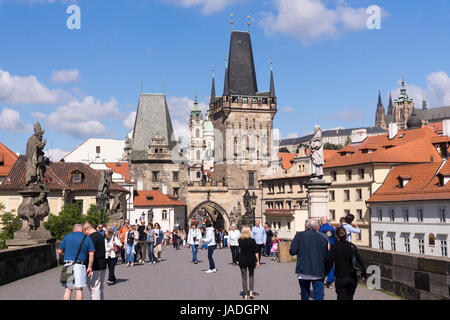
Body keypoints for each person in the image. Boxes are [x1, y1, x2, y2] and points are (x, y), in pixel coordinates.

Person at [289, 218, 329, 300]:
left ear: (307, 225)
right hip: (318, 272)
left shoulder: (299, 235)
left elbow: (292, 251)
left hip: (303, 271)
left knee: (304, 296)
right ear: (317, 226)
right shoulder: (323, 238)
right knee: (319, 297)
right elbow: (326, 256)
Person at [326, 227, 367, 300]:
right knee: (350, 297)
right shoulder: (352, 246)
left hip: (340, 277)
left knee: (341, 297)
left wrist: (324, 273)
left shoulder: (334, 247)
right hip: (352, 277)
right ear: (346, 235)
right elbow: (359, 260)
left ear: (337, 235)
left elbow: (330, 262)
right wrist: (364, 273)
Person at [58, 224, 95, 300]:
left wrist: (66, 254)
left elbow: (59, 251)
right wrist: (89, 267)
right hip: (79, 266)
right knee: (79, 289)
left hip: (68, 265)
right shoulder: (87, 238)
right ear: (82, 230)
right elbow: (91, 254)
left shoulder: (67, 236)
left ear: (74, 229)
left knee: (68, 289)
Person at [82, 223, 107, 300]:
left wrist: (88, 266)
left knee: (94, 288)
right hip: (102, 264)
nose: (84, 234)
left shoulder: (91, 238)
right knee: (100, 288)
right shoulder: (100, 236)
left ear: (86, 229)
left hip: (95, 265)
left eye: (84, 232)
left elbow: (90, 253)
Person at [238, 226, 260, 300]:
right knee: (251, 275)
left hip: (243, 260)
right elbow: (256, 252)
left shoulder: (240, 241)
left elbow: (239, 251)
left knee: (244, 277)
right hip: (251, 260)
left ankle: (245, 294)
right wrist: (258, 261)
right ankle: (251, 292)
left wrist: (237, 260)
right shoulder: (253, 241)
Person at [319, 216, 337, 289]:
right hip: (332, 249)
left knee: (322, 264)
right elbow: (335, 238)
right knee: (331, 265)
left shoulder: (321, 229)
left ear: (322, 221)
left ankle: (322, 280)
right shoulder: (332, 228)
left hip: (323, 249)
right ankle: (330, 280)